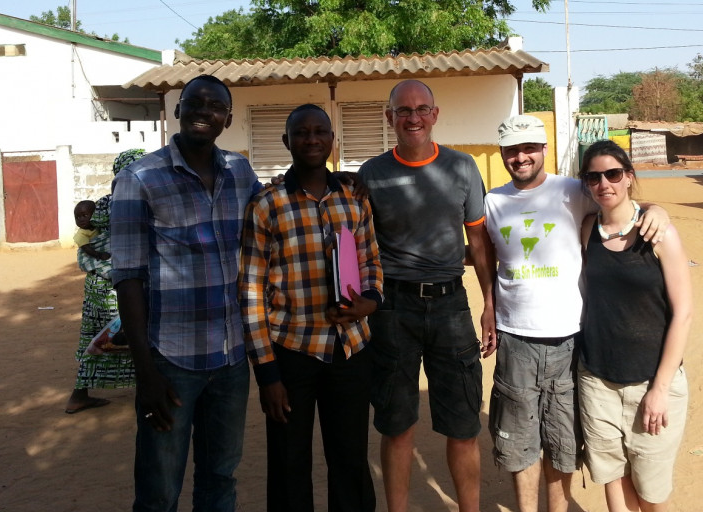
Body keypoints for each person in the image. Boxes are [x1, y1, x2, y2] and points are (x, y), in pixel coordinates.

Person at [482, 117, 668, 512]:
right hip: (515, 336)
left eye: (529, 147)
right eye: (513, 149)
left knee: (562, 440)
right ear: (501, 154)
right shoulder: (492, 202)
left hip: (569, 338)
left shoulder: (573, 190)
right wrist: (487, 309)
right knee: (519, 440)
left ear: (544, 148)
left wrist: (658, 209)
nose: (521, 156)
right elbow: (484, 257)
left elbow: (620, 200)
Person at [111, 75, 262, 512]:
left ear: (227, 119)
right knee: (159, 490)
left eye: (215, 105)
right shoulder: (139, 178)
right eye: (193, 102)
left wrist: (344, 184)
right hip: (171, 363)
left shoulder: (240, 171)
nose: (203, 110)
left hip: (232, 359)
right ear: (177, 110)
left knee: (220, 478)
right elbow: (128, 277)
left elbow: (274, 212)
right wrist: (146, 373)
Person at [358, 79, 495, 512]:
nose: (413, 117)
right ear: (390, 117)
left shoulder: (463, 168)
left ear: (435, 115)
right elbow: (357, 243)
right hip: (392, 309)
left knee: (463, 424)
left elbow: (479, 243)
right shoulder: (372, 174)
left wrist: (490, 302)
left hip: (451, 305)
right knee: (396, 425)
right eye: (403, 110)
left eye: (421, 109)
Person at [240, 104, 383, 512]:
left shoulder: (354, 199)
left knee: (351, 460)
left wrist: (367, 303)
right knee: (288, 463)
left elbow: (372, 261)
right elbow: (251, 291)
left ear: (332, 140)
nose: (312, 139)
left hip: (351, 350)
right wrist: (267, 373)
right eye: (301, 133)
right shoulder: (266, 205)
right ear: (287, 141)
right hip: (292, 355)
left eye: (321, 131)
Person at [577, 140, 692, 512]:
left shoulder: (659, 234)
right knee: (613, 475)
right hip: (597, 380)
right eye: (593, 177)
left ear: (628, 177)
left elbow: (683, 313)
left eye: (612, 174)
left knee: (651, 492)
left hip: (651, 382)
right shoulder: (587, 229)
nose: (603, 184)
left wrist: (659, 390)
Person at [65, 149, 145, 414]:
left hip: (100, 283)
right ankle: (145, 390)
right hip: (116, 282)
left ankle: (81, 393)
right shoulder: (133, 202)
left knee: (102, 337)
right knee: (125, 334)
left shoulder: (106, 202)